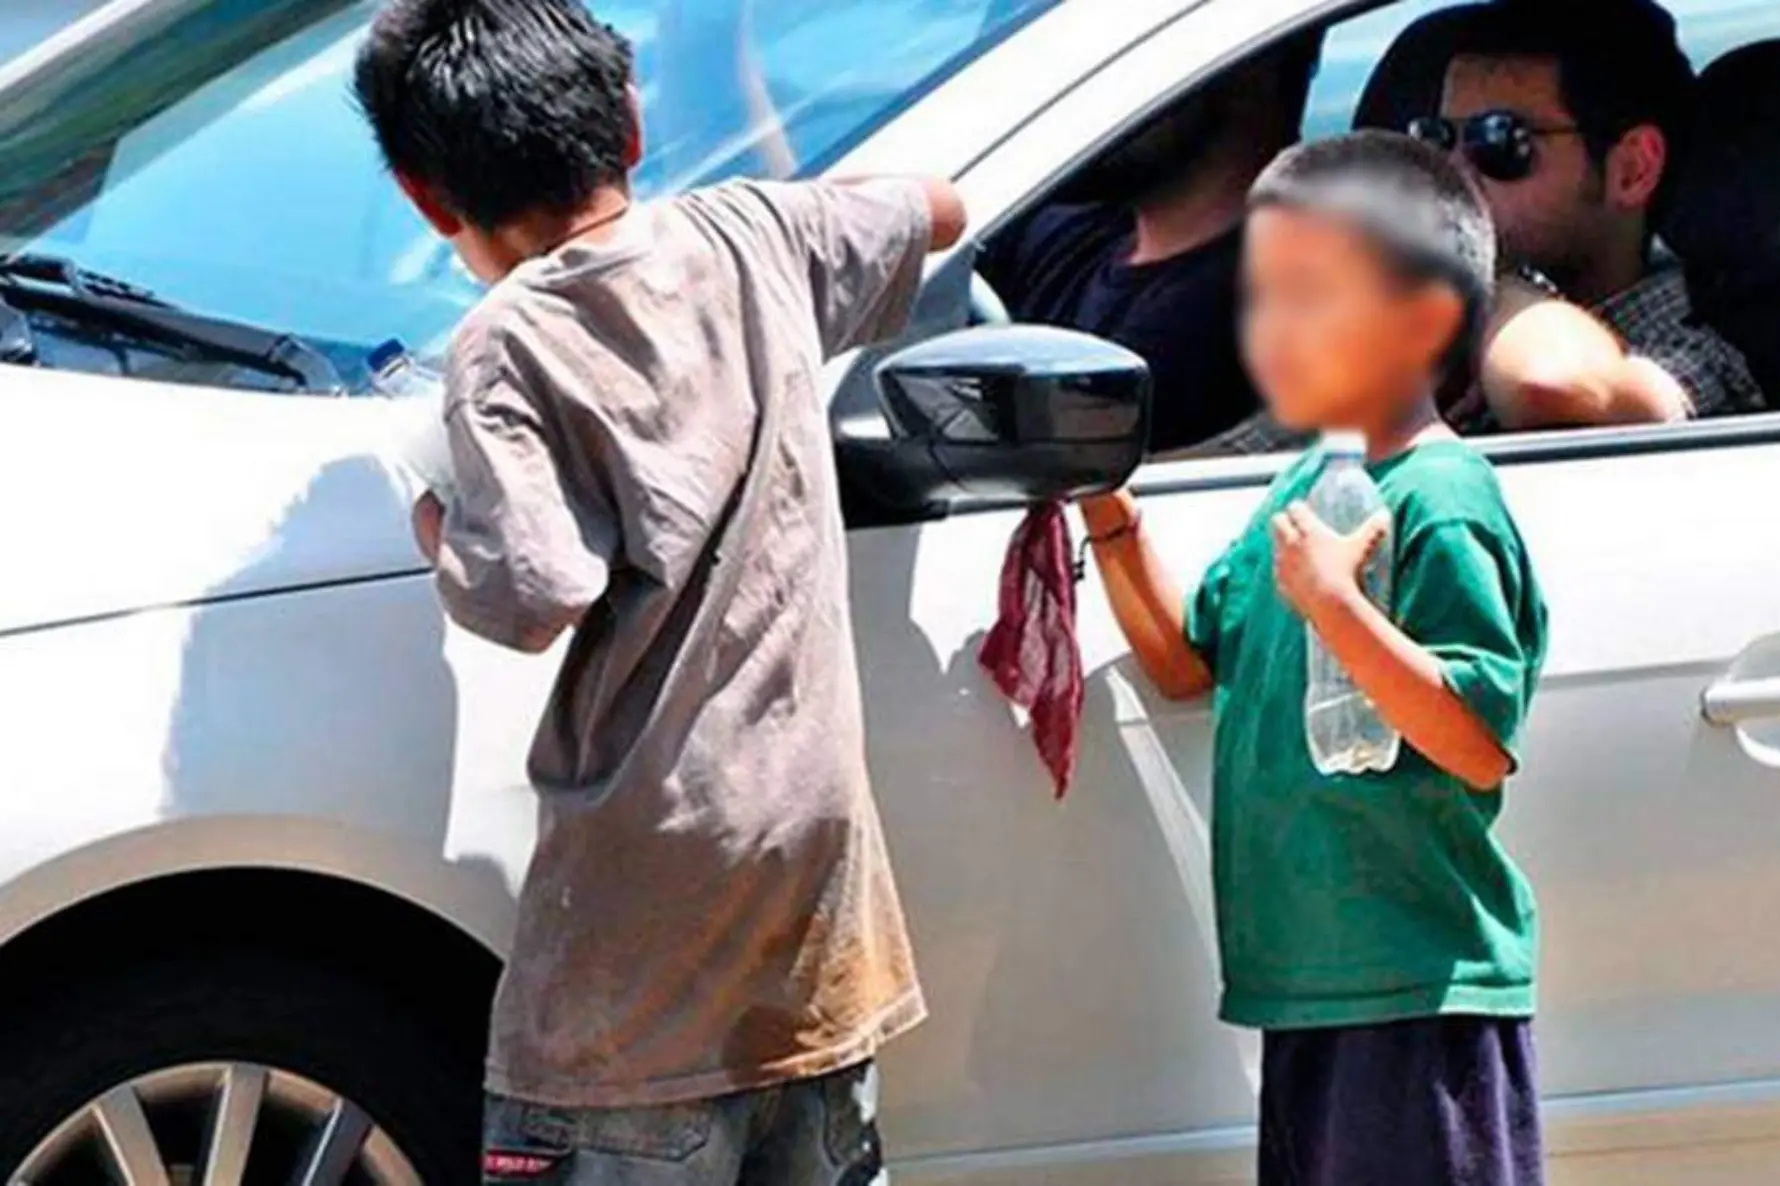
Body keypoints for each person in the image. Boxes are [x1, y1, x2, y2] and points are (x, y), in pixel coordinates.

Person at [353, 1, 965, 1181]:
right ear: (631, 125)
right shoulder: (751, 237)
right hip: (813, 928)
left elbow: (530, 590)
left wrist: (438, 530)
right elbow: (938, 206)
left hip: (637, 964)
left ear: (427, 199)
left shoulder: (504, 344)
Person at [1082, 132, 1548, 1185]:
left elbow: (1475, 739)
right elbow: (1186, 662)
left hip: (1415, 989)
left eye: (1307, 296)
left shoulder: (1440, 498)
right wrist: (1109, 519)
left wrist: (1339, 608)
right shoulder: (1305, 488)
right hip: (1309, 985)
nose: (1269, 329)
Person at [1420, 0, 1765, 430]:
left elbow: (1551, 386)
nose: (1454, 170)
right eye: (1437, 139)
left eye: (1499, 139)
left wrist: (1482, 272)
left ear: (1632, 170)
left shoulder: (1694, 359)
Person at [979, 39, 1319, 455]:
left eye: (1119, 62)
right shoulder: (1069, 231)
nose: (1089, 92)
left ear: (1250, 69)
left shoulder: (1248, 316)